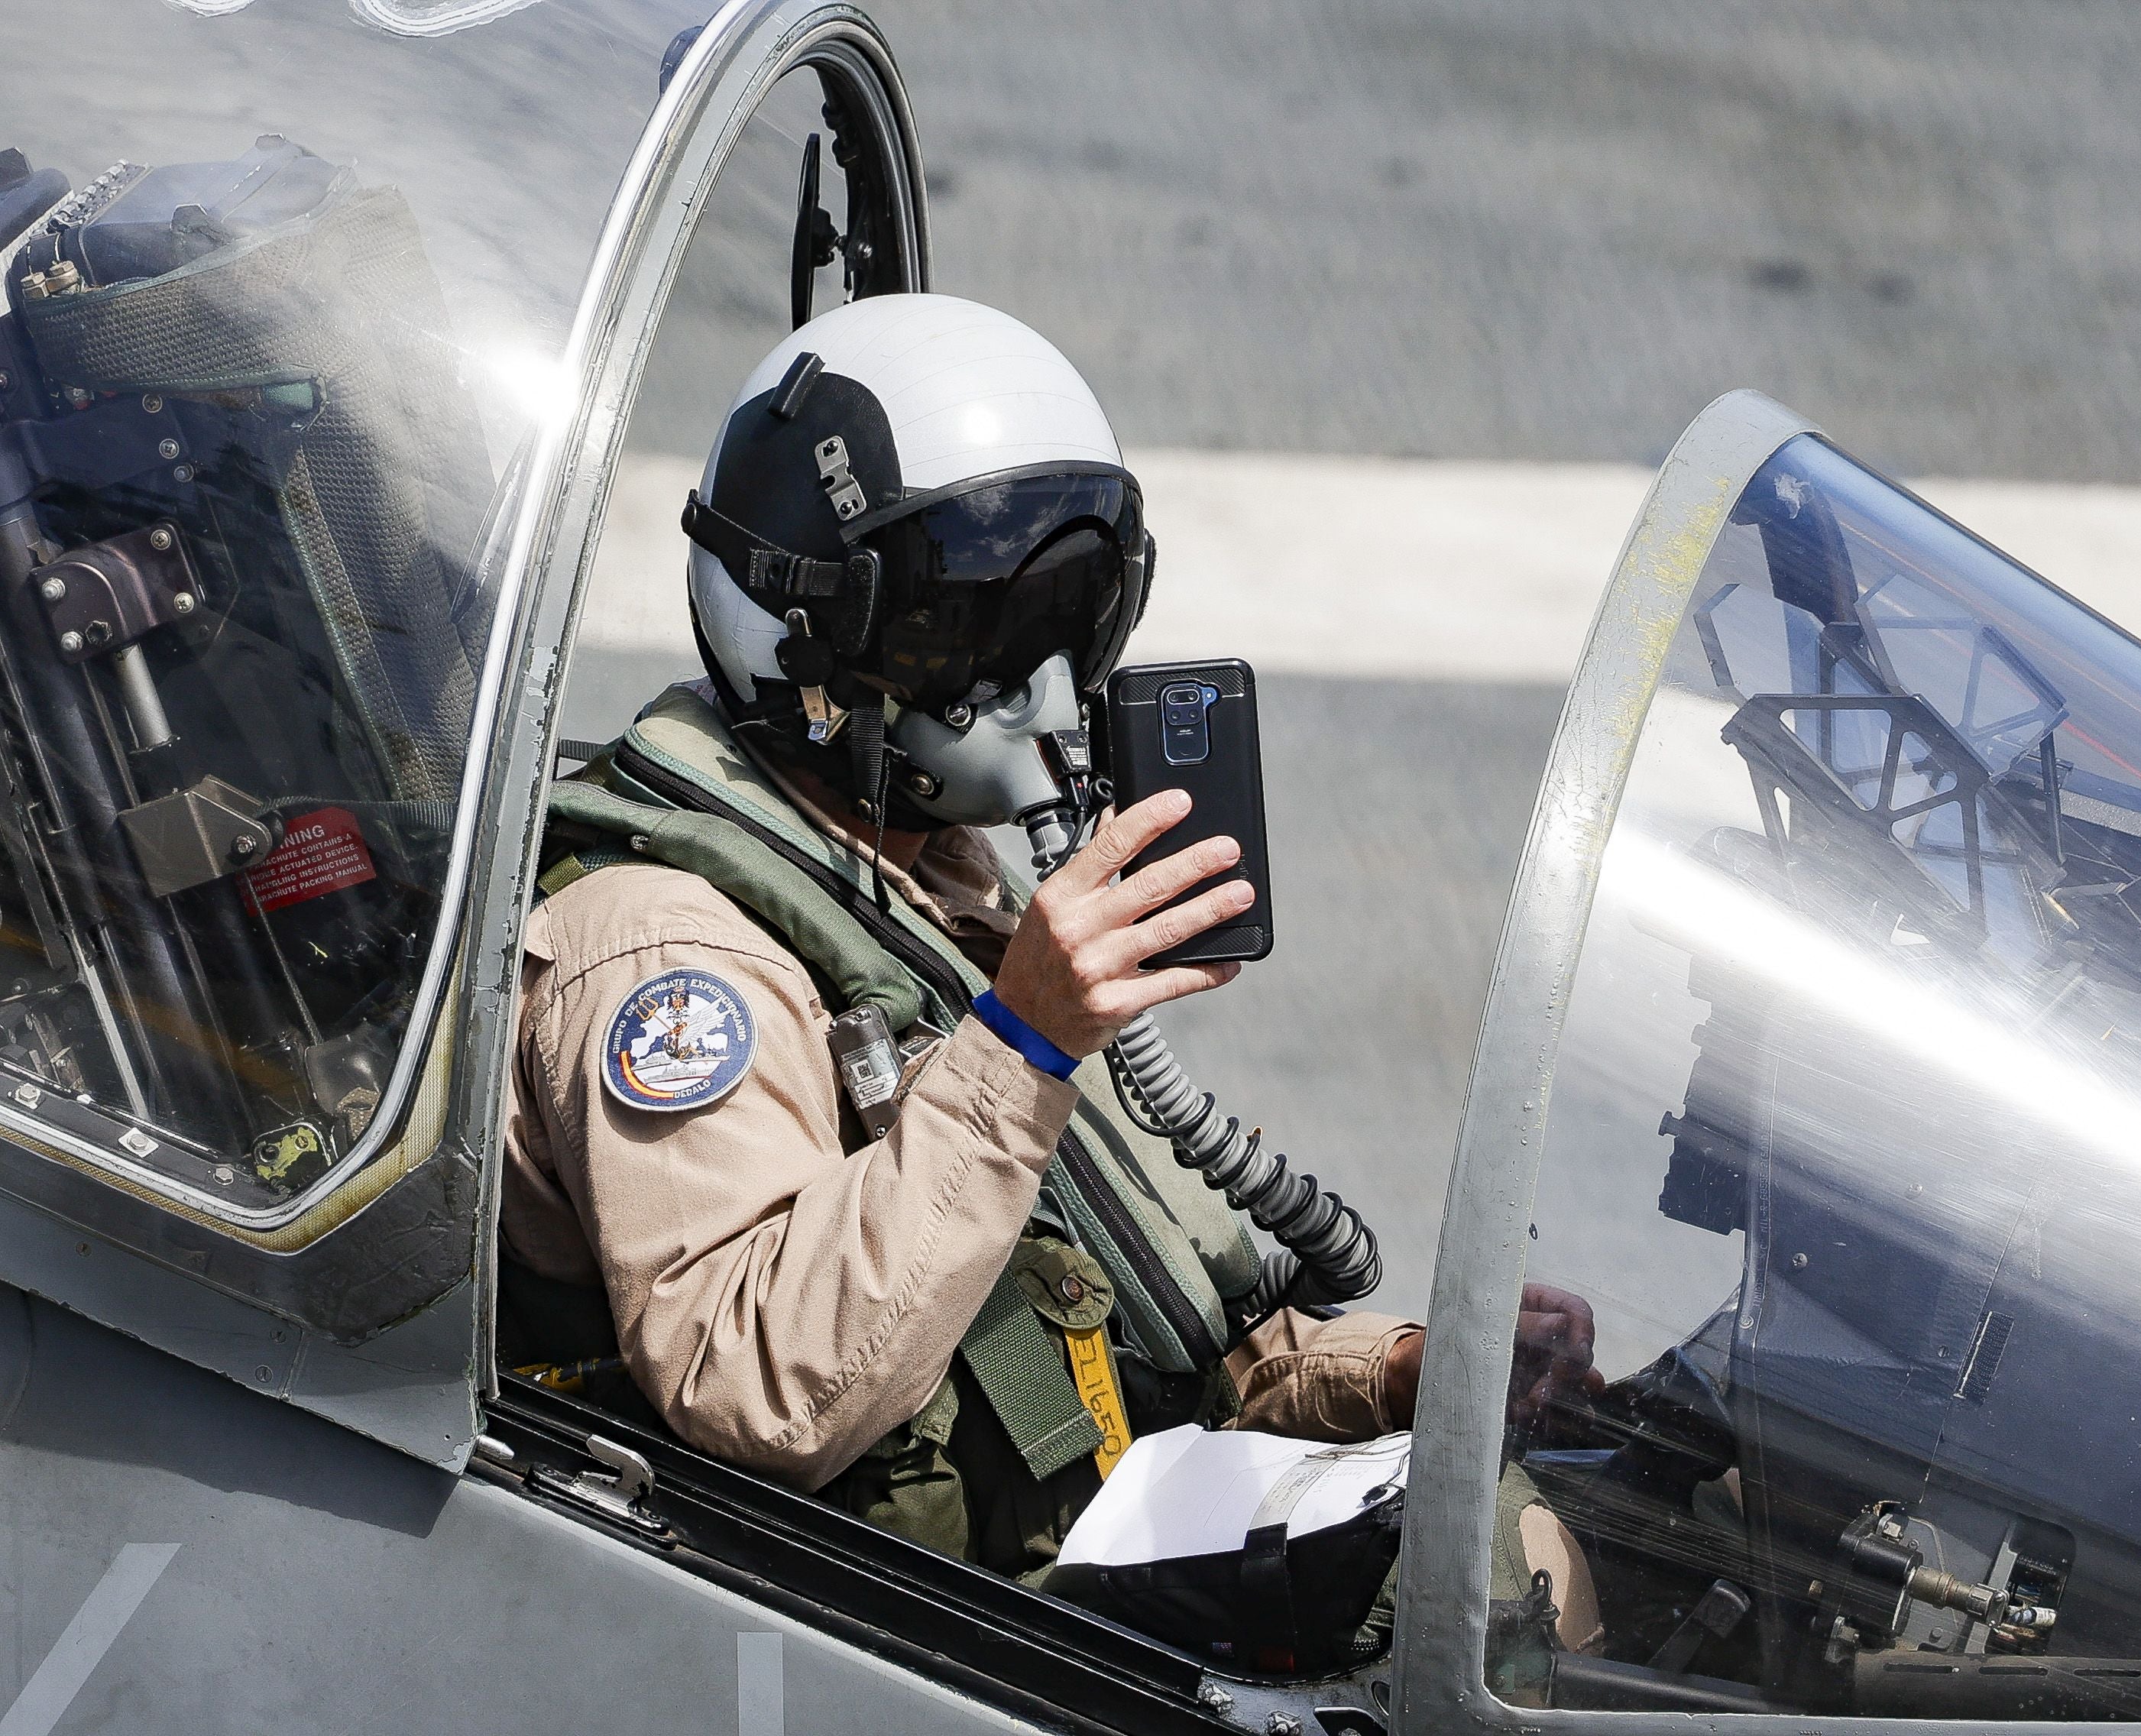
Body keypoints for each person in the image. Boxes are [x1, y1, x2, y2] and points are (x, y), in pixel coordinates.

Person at [494, 292, 1600, 1651]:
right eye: (982, 638)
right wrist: (1020, 1042)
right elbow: (759, 1387)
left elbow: (1173, 1359)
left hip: (1092, 1551)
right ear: (810, 646)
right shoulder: (675, 960)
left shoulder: (920, 880)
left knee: (1575, 1524)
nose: (1055, 700)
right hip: (917, 1643)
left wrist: (1412, 1378)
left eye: (1078, 622)